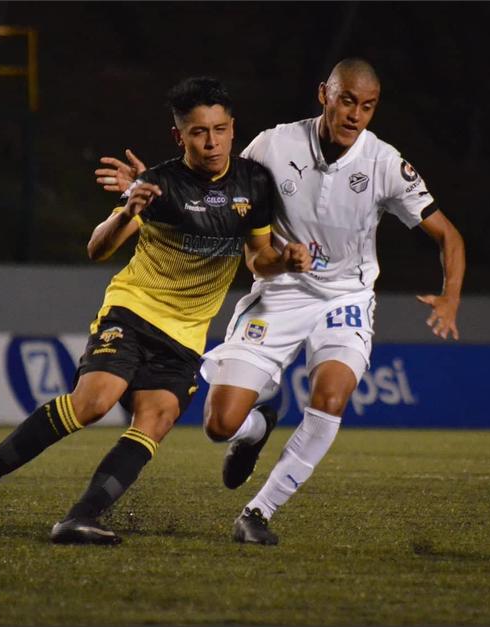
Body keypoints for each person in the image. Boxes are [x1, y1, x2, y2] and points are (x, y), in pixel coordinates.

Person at [94, 58, 466, 545]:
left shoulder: (385, 165)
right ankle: (257, 425)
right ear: (324, 95)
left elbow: (449, 236)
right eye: (347, 101)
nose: (355, 115)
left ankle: (258, 512)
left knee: (331, 396)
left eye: (368, 106)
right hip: (280, 293)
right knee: (219, 424)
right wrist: (159, 201)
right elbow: (221, 187)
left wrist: (450, 298)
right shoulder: (275, 145)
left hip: (344, 299)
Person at [0, 77, 311, 546]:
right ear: (179, 136)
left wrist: (284, 260)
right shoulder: (158, 183)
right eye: (199, 132)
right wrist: (126, 210)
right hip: (134, 310)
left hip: (186, 333)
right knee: (94, 402)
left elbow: (258, 257)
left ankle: (81, 517)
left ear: (233, 128)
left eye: (220, 129)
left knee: (156, 418)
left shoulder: (253, 183)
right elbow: (99, 248)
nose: (212, 141)